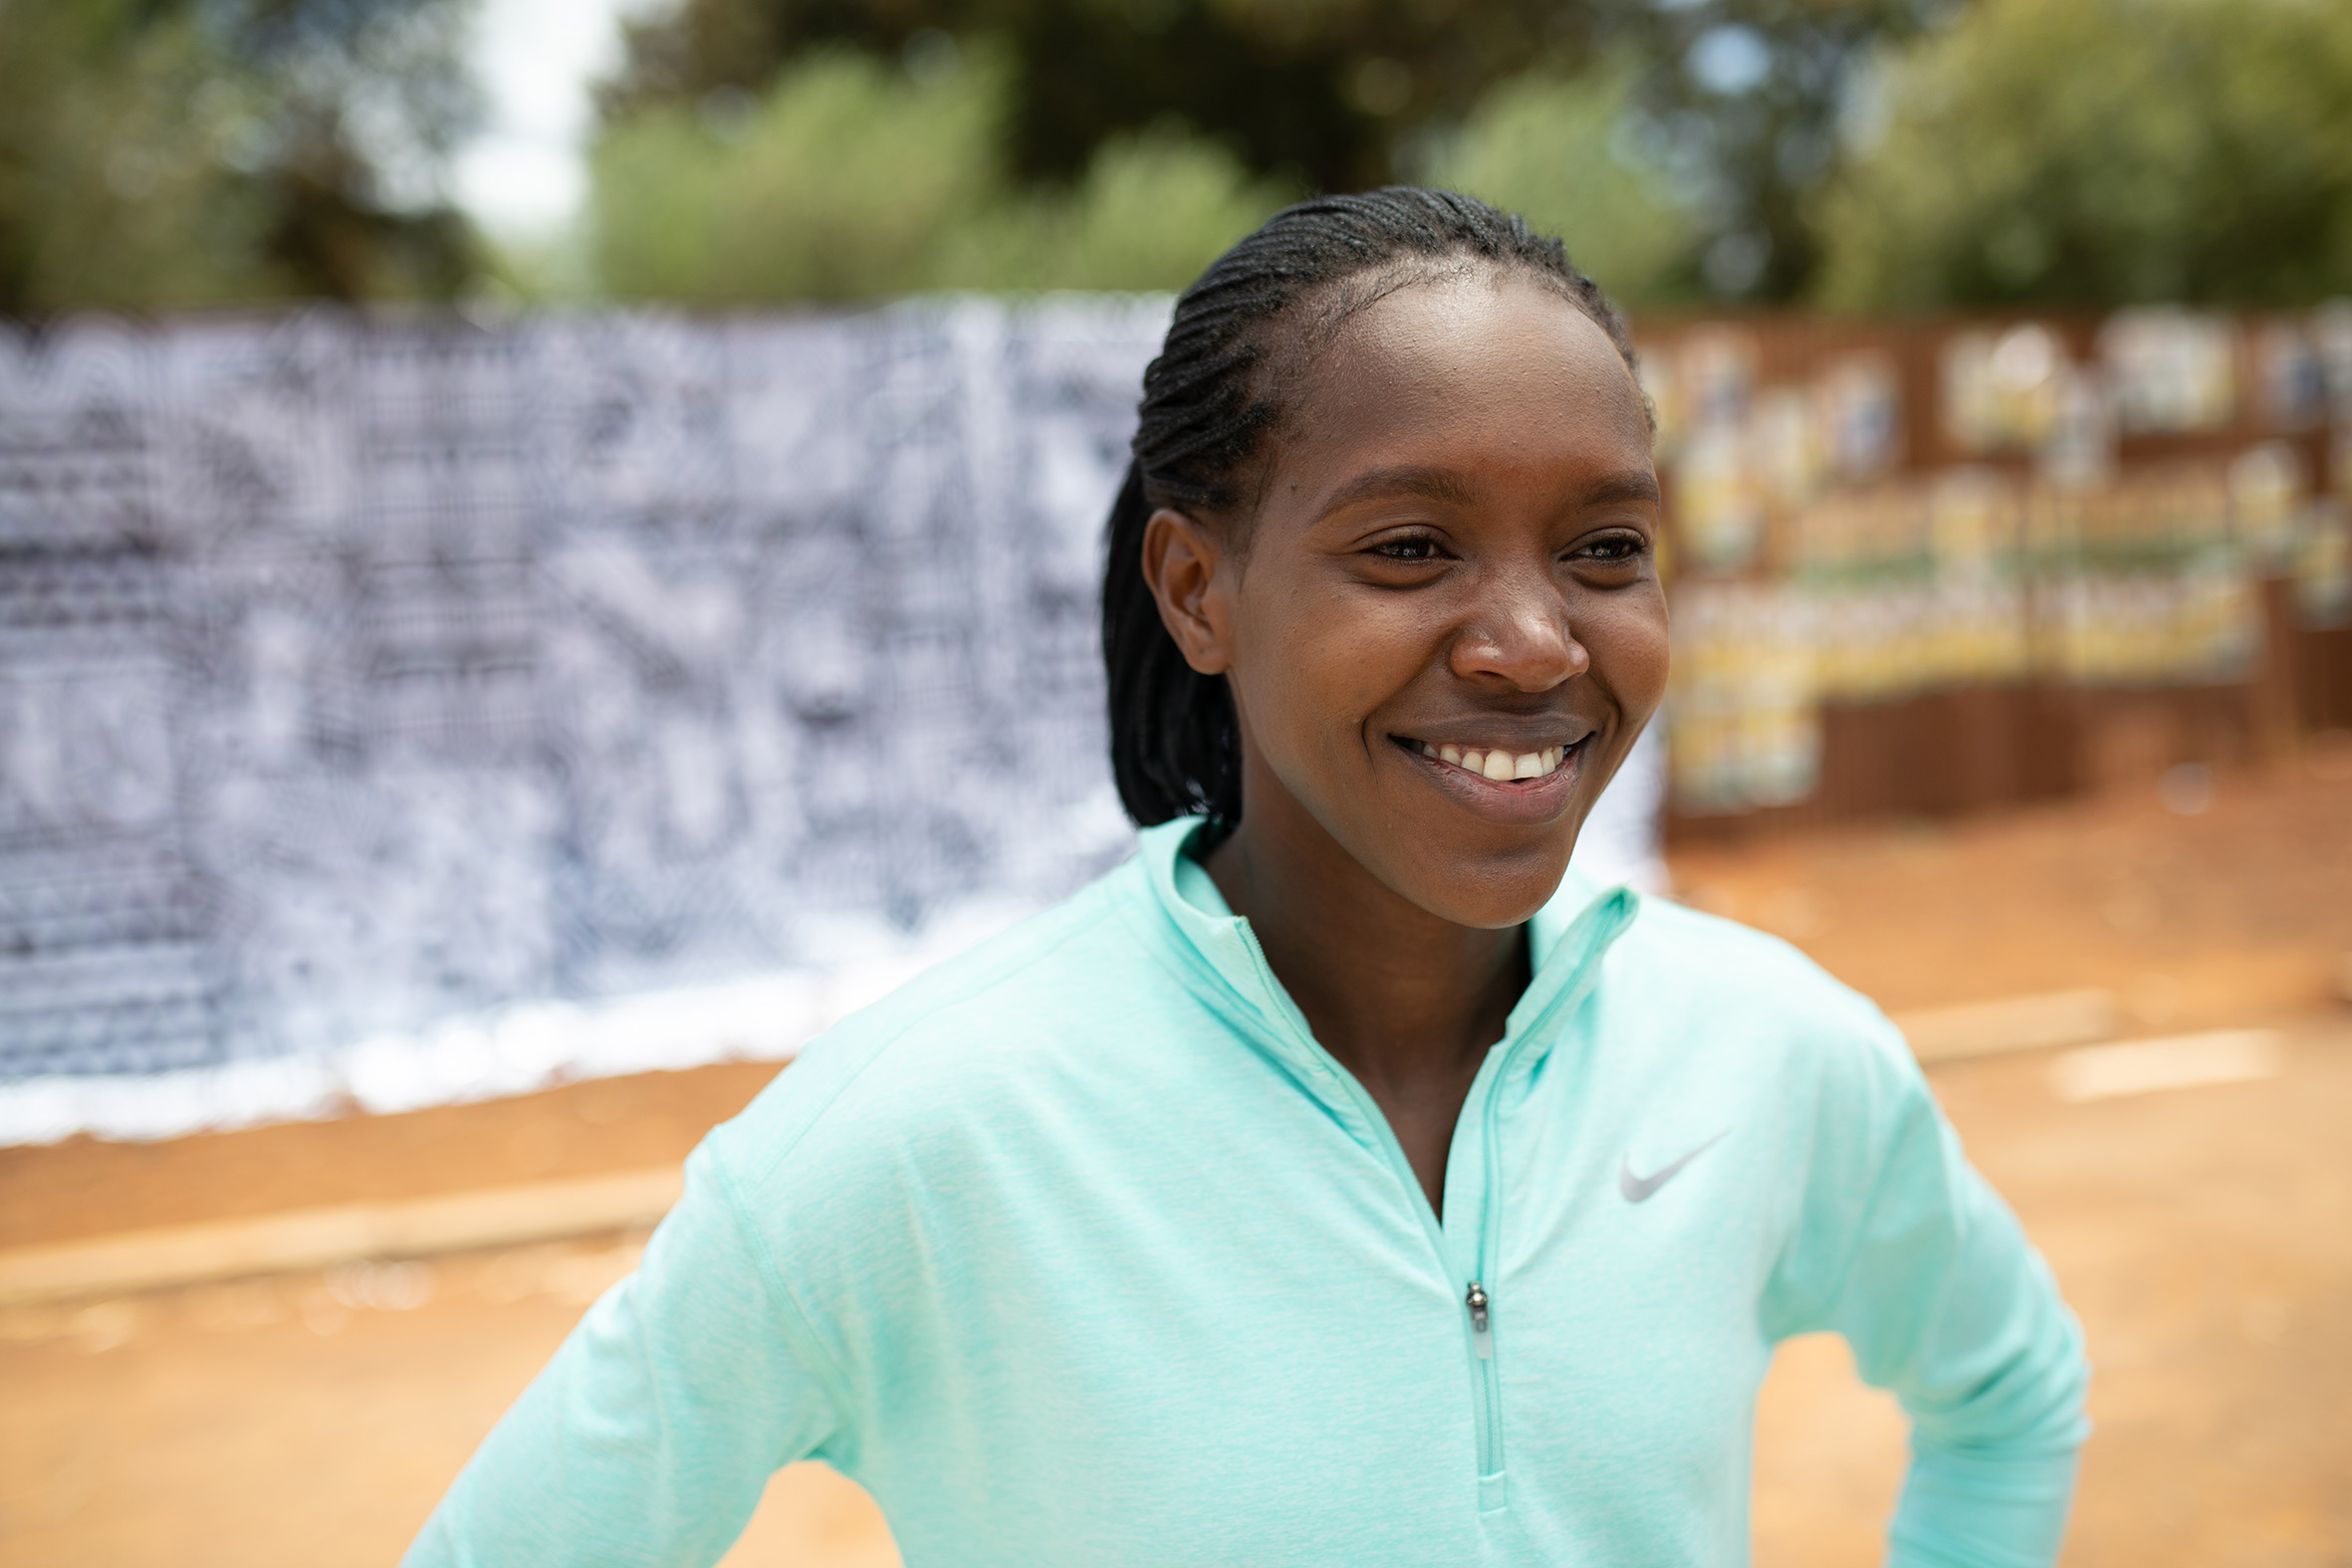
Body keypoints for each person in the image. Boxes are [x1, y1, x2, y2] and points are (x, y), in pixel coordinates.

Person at [405, 188, 2087, 1567]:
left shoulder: (1765, 1051)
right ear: (1197, 592)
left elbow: (2010, 1393)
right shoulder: (925, 1136)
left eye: (1603, 549)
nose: (1531, 642)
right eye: (1408, 547)